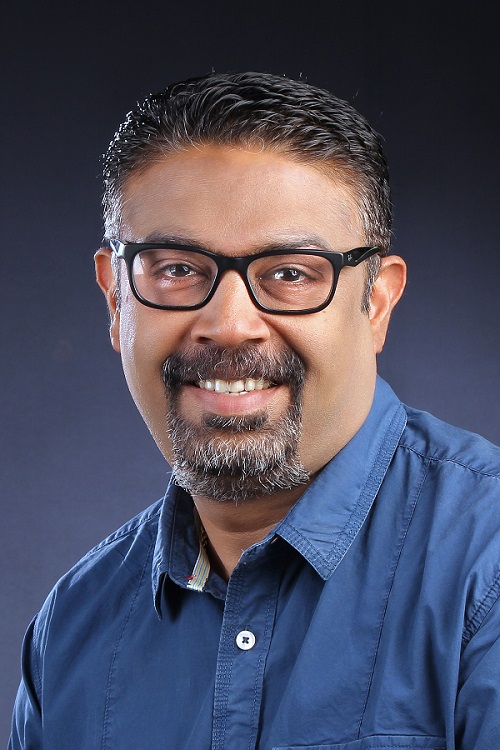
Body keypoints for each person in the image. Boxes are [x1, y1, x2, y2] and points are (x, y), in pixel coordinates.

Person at [10, 72, 499, 750]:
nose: (230, 324)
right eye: (177, 269)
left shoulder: (487, 572)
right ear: (116, 300)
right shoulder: (69, 635)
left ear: (377, 303)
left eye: (291, 273)